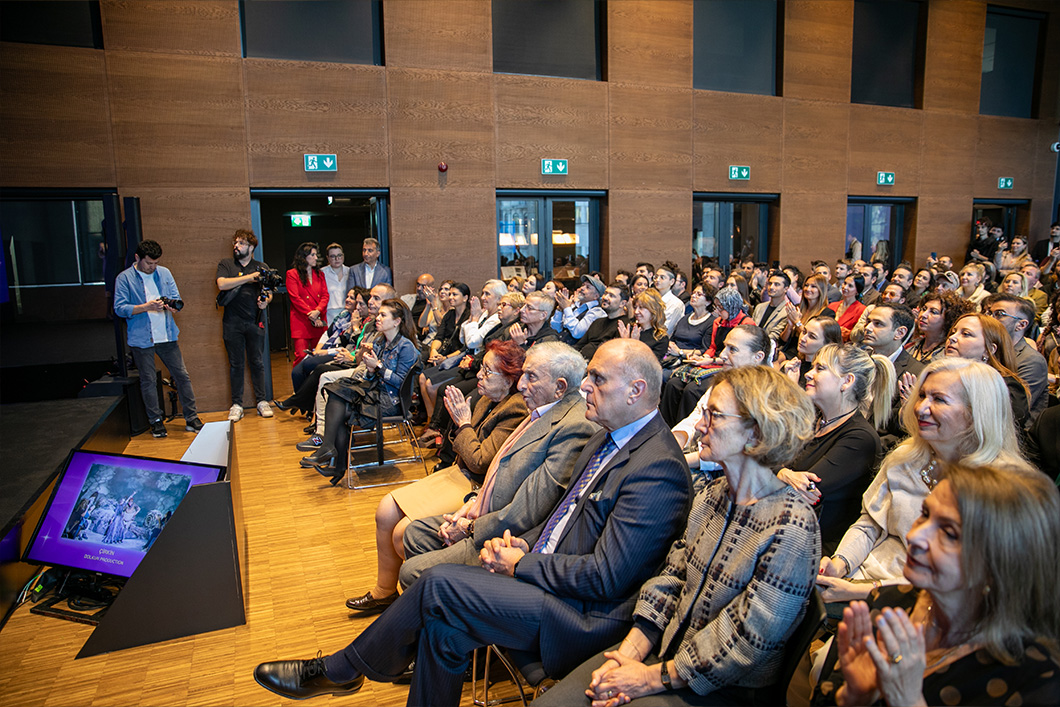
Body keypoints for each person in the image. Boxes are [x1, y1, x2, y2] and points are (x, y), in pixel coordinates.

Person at [252, 339, 692, 706]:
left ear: (636, 390)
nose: (586, 386)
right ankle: (348, 669)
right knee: (444, 628)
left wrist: (522, 564)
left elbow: (607, 578)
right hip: (549, 580)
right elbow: (562, 518)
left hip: (584, 616)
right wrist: (521, 547)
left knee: (441, 583)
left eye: (598, 378)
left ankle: (344, 668)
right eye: (588, 375)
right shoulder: (606, 435)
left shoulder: (658, 467)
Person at [535, 366, 820, 705]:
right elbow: (672, 577)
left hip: (722, 688)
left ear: (756, 434)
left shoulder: (792, 526)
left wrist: (649, 677)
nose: (700, 426)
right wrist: (629, 654)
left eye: (713, 416)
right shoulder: (714, 495)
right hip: (666, 652)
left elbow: (745, 640)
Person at [813, 464, 1060, 706]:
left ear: (1000, 567)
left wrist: (907, 700)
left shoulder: (1035, 680)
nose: (914, 536)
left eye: (949, 533)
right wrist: (855, 697)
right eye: (926, 515)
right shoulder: (888, 603)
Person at [816, 358, 1033, 603]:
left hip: (924, 606)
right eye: (921, 395)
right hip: (856, 580)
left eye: (938, 399)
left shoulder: (1001, 488)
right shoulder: (905, 457)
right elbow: (870, 524)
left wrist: (867, 591)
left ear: (976, 413)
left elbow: (964, 584)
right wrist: (840, 563)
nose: (920, 408)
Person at [343, 340, 528, 609]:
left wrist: (463, 422)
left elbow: (479, 462)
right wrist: (461, 424)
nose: (479, 375)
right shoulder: (486, 398)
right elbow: (462, 445)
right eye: (482, 368)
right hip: (457, 471)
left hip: (475, 486)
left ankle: (416, 603)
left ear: (510, 379)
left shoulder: (515, 409)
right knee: (385, 510)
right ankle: (384, 591)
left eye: (488, 371)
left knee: (403, 532)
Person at [398, 342, 597, 588]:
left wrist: (470, 527)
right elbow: (500, 472)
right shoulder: (539, 407)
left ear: (559, 387)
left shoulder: (573, 428)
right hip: (483, 508)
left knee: (411, 572)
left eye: (531, 377)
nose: (521, 384)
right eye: (523, 374)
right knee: (414, 533)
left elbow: (528, 511)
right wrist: (472, 504)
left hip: (503, 537)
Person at [778, 344, 893, 553]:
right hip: (784, 525)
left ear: (847, 381)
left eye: (820, 368)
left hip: (811, 545)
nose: (809, 374)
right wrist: (783, 474)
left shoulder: (860, 439)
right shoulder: (814, 419)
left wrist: (778, 473)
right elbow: (762, 456)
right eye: (812, 367)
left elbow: (801, 491)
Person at [299, 299, 420, 484]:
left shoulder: (406, 347)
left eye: (383, 315)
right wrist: (371, 370)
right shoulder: (380, 341)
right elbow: (371, 378)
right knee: (335, 393)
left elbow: (402, 383)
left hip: (391, 402)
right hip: (374, 393)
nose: (377, 318)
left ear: (397, 321)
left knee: (338, 405)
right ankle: (333, 457)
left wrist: (377, 366)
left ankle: (333, 457)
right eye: (378, 314)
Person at [114, 239, 203, 438]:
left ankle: (191, 417)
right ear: (137, 258)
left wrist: (172, 306)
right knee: (147, 380)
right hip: (141, 338)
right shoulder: (124, 278)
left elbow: (176, 298)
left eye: (155, 263)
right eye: (149, 263)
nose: (153, 267)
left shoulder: (164, 273)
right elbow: (119, 308)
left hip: (167, 335)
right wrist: (146, 307)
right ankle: (156, 421)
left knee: (182, 376)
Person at [216, 228, 273, 422]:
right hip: (232, 323)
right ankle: (237, 404)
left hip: (255, 321)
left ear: (251, 247)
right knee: (236, 364)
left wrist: (267, 300)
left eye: (241, 243)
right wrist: (249, 278)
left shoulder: (261, 266)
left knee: (257, 362)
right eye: (235, 243)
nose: (236, 246)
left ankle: (262, 401)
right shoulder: (226, 264)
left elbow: (268, 290)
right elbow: (222, 284)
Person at [944, 312, 1030, 429]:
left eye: (966, 334)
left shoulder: (1006, 387)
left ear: (989, 349)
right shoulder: (941, 377)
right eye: (954, 332)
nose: (952, 338)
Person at [983, 293, 1048, 421]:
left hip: (1014, 433)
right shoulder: (988, 351)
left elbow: (1012, 410)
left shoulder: (1031, 360)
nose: (989, 319)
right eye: (989, 313)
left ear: (1021, 325)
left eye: (999, 314)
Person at [285, 241, 329, 367]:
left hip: (319, 320)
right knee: (301, 356)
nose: (316, 258)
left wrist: (318, 311)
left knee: (318, 355)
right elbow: (295, 298)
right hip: (302, 321)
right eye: (313, 255)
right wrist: (311, 314)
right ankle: (299, 384)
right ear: (304, 257)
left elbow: (325, 295)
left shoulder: (320, 274)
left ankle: (315, 385)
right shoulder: (292, 274)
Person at [904, 291, 972, 363]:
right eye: (924, 309)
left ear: (948, 319)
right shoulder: (911, 345)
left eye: (933, 312)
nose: (923, 315)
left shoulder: (949, 354)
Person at [780, 315, 844, 387]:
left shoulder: (825, 377)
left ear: (829, 344)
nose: (803, 338)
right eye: (804, 332)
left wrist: (792, 384)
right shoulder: (793, 365)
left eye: (812, 337)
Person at [778, 274, 831, 358]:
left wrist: (797, 322)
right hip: (789, 350)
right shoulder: (798, 307)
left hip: (808, 354)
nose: (808, 289)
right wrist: (790, 325)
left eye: (813, 286)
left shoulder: (827, 313)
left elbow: (812, 338)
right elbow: (783, 340)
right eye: (806, 285)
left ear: (821, 290)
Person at [575, 284, 632, 362]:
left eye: (611, 296)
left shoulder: (625, 327)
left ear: (622, 303)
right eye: (605, 293)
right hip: (579, 361)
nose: (605, 298)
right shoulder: (598, 322)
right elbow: (578, 346)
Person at [665, 284, 714, 362]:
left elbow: (704, 350)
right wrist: (670, 345)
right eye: (693, 293)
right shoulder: (684, 318)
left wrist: (680, 352)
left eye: (699, 294)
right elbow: (673, 339)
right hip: (672, 358)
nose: (693, 296)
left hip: (690, 360)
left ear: (708, 302)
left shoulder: (711, 322)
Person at [619, 289, 670, 362]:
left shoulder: (660, 338)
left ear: (653, 310)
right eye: (635, 307)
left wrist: (634, 345)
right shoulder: (629, 330)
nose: (636, 312)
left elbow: (648, 366)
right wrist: (623, 342)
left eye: (641, 308)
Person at [828, 274, 868, 342]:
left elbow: (857, 335)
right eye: (845, 283)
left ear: (857, 291)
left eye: (850, 286)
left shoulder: (861, 310)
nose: (845, 287)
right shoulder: (832, 305)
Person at [321, 243, 350, 324]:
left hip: (347, 312)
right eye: (333, 256)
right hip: (329, 313)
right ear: (328, 258)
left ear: (343, 256)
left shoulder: (350, 271)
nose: (337, 259)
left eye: (339, 255)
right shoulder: (322, 273)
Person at [653, 262, 685, 335]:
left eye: (662, 277)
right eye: (656, 277)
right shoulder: (652, 299)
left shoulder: (676, 304)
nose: (657, 280)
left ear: (672, 281)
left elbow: (666, 329)